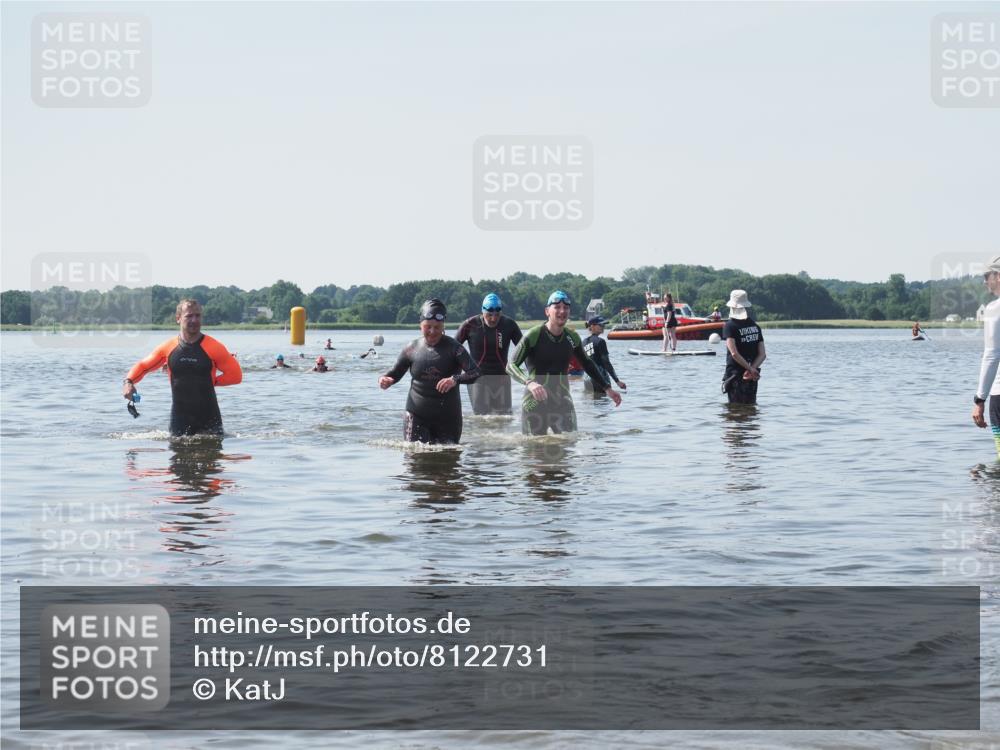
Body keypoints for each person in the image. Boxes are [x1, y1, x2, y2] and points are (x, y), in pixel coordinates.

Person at [122, 299, 242, 436]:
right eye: (189, 316)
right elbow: (143, 366)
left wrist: (210, 381)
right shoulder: (168, 348)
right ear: (178, 318)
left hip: (209, 418)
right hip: (179, 419)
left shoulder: (214, 347)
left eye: (198, 315)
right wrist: (128, 382)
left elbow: (236, 376)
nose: (194, 320)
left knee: (212, 455)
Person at [508, 290, 622, 435]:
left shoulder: (572, 337)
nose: (562, 311)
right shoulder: (533, 335)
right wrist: (529, 382)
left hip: (563, 401)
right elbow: (511, 365)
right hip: (534, 402)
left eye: (566, 307)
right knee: (534, 451)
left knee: (569, 446)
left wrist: (607, 388)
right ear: (547, 311)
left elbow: (587, 364)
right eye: (557, 307)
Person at [379, 299, 481, 444]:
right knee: (413, 459)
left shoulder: (454, 348)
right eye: (428, 327)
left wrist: (455, 379)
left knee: (447, 462)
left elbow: (475, 373)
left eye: (437, 327)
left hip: (448, 418)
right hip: (416, 415)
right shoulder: (411, 348)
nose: (432, 331)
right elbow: (393, 374)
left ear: (443, 325)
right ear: (420, 325)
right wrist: (385, 380)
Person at [455, 293, 523, 415]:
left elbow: (525, 350)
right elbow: (453, 350)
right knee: (482, 417)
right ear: (483, 311)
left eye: (497, 314)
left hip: (502, 378)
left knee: (504, 418)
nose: (493, 318)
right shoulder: (470, 325)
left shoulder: (509, 325)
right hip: (477, 378)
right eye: (489, 314)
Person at [972, 256, 1000, 456]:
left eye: (987, 275)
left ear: (998, 276)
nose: (984, 281)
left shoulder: (994, 309)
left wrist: (979, 399)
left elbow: (991, 356)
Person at [721, 290, 766, 405]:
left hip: (735, 376)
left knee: (735, 412)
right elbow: (762, 354)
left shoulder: (730, 326)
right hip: (752, 376)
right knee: (750, 409)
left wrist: (749, 370)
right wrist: (752, 369)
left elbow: (734, 353)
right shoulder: (755, 326)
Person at [582, 316, 626, 395]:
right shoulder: (600, 341)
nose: (603, 327)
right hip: (600, 378)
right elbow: (606, 363)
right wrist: (617, 381)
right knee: (604, 404)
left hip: (587, 379)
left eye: (603, 325)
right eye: (601, 325)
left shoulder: (583, 342)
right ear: (592, 326)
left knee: (591, 403)